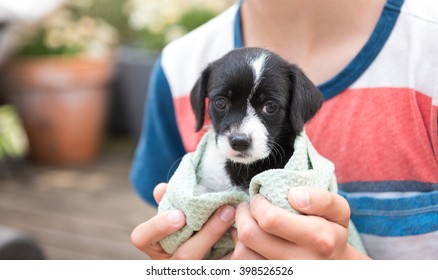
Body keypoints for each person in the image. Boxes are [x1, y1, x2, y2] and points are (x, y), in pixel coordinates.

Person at [130, 0, 438, 259]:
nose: (239, 132)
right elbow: (169, 218)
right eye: (222, 103)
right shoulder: (178, 67)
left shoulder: (428, 53)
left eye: (269, 107)